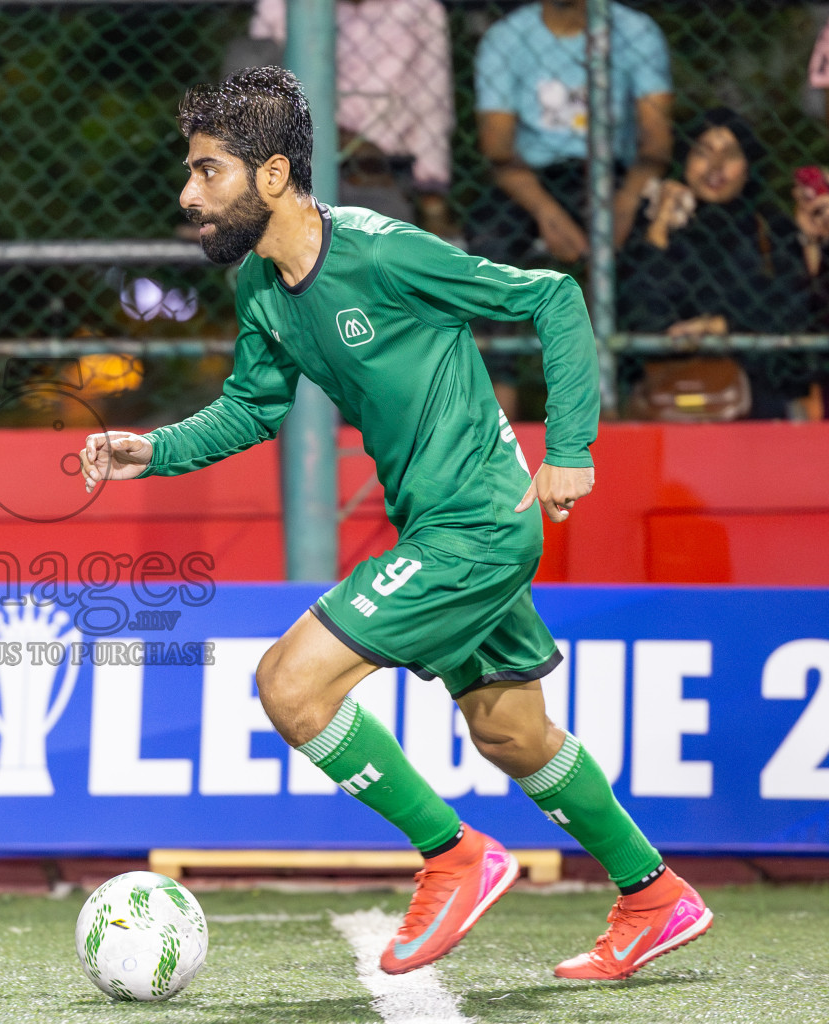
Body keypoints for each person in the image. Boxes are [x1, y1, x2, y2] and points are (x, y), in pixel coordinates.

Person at [81, 67, 711, 980]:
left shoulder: (381, 253)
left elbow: (554, 300)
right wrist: (159, 448)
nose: (187, 195)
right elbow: (254, 407)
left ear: (270, 176)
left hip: (478, 526)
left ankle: (455, 856)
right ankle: (653, 895)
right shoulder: (260, 285)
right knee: (510, 732)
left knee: (291, 686)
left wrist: (570, 446)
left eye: (207, 172)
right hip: (439, 527)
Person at [620, 108, 819, 419]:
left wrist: (721, 327)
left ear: (749, 165)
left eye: (731, 154)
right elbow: (642, 317)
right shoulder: (656, 229)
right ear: (685, 161)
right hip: (671, 398)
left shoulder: (770, 230)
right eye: (703, 152)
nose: (715, 166)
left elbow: (790, 314)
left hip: (760, 400)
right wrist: (658, 229)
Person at [226, 0, 455, 238]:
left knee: (375, 252)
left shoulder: (419, 9)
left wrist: (433, 202)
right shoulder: (282, 5)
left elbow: (432, 109)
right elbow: (260, 87)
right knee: (249, 54)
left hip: (377, 174)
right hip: (287, 161)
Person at [471, 0, 673, 267]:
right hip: (532, 178)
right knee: (489, 238)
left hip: (617, 172)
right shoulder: (505, 38)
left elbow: (656, 144)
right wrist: (546, 212)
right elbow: (498, 152)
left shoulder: (636, 32)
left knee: (652, 240)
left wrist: (626, 204)